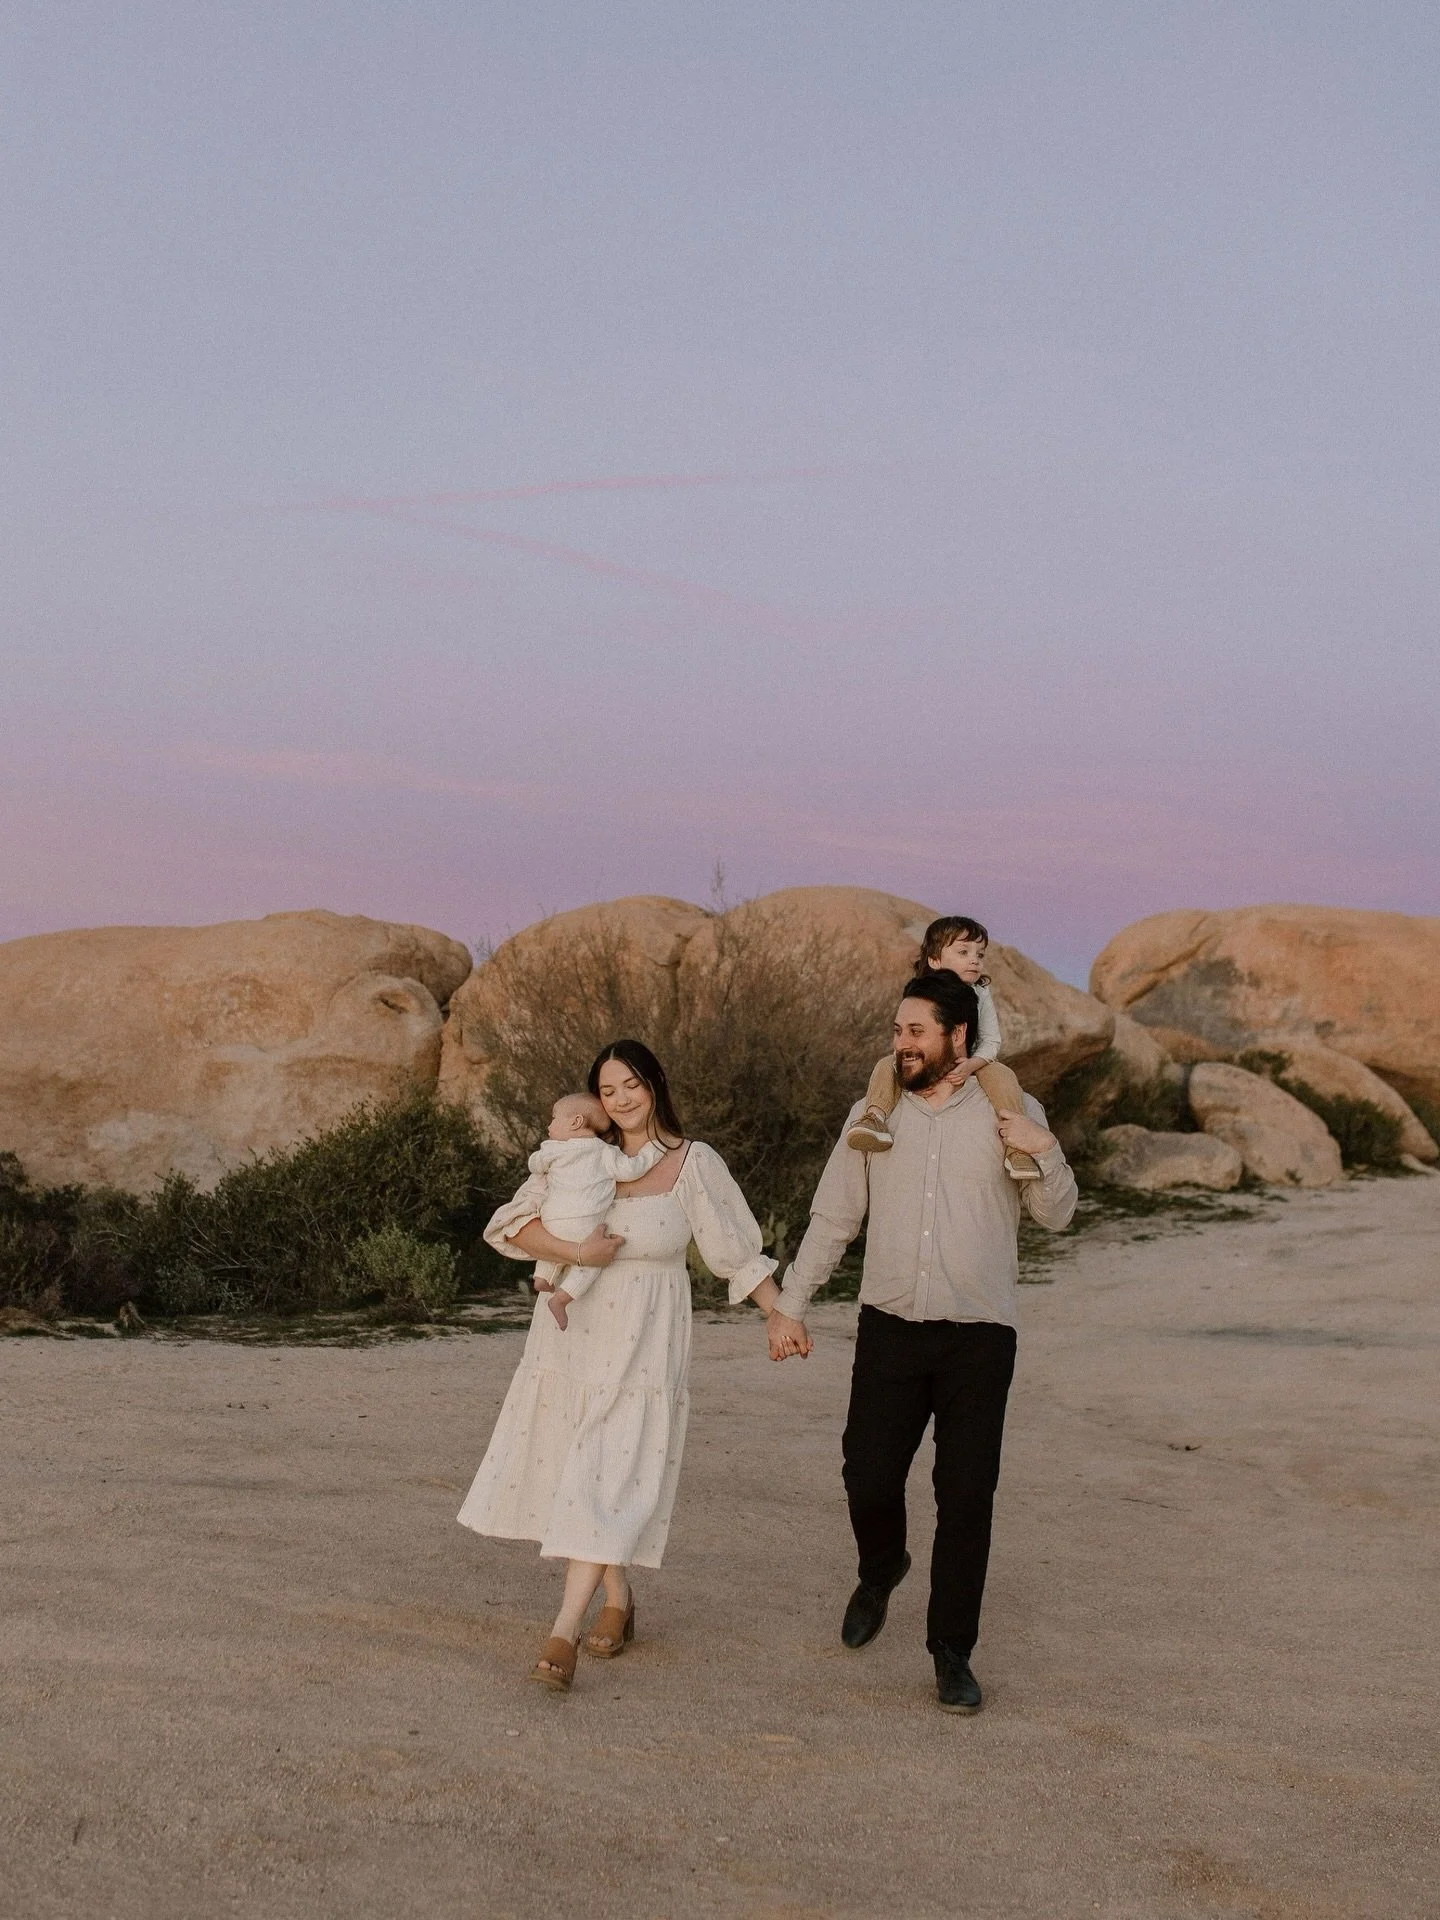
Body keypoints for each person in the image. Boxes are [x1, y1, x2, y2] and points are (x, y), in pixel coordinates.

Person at [766, 969, 1077, 1714]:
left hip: (979, 1337)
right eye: (897, 1031)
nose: (901, 1044)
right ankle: (882, 1567)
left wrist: (1046, 1146)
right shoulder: (874, 1115)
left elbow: (1057, 1215)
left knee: (965, 1497)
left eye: (915, 1032)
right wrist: (790, 1306)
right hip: (891, 1330)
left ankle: (950, 1651)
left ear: (956, 1036)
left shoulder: (1012, 1109)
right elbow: (833, 1219)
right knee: (867, 1474)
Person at [457, 1038, 793, 1694]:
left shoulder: (694, 1162)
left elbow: (736, 1253)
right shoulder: (577, 1156)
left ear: (655, 1084)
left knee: (611, 1467)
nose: (623, 1098)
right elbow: (510, 1227)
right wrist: (576, 1254)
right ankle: (618, 1599)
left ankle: (562, 1630)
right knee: (580, 1467)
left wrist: (782, 1314)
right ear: (596, 1105)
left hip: (647, 1332)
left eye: (632, 1083)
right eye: (609, 1090)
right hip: (572, 1329)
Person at [846, 915, 1040, 1180]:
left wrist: (972, 1064)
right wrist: (912, 1067)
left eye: (980, 955)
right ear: (935, 961)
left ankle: (1017, 1150)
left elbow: (991, 1039)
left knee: (1003, 1075)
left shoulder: (979, 994)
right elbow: (908, 1033)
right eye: (963, 952)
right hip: (926, 1060)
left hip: (971, 1062)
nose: (975, 960)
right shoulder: (920, 992)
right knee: (885, 1066)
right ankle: (874, 1118)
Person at [527, 1092, 667, 1331]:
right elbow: (631, 1170)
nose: (549, 1125)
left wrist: (542, 1163)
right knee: (592, 1260)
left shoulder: (553, 1149)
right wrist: (653, 1150)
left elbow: (534, 1164)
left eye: (553, 1118)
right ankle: (561, 1298)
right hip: (583, 1222)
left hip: (551, 1218)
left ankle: (542, 1277)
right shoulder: (605, 1152)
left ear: (576, 1122)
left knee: (555, 1250)